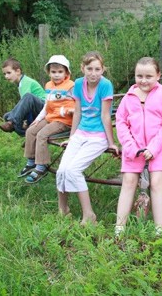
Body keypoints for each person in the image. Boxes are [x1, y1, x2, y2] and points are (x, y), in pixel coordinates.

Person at [114, 57, 162, 237]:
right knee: (128, 182)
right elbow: (121, 123)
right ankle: (119, 227)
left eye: (149, 76)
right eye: (139, 76)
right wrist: (130, 147)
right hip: (134, 150)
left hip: (160, 147)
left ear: (158, 75)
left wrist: (154, 147)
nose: (143, 80)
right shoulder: (128, 97)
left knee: (156, 183)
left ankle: (159, 229)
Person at [56, 51, 118, 225]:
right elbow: (78, 112)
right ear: (83, 68)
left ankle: (89, 214)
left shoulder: (105, 85)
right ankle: (63, 209)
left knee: (73, 170)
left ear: (103, 70)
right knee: (62, 170)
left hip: (98, 136)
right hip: (81, 133)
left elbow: (106, 116)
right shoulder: (77, 84)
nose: (93, 73)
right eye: (89, 68)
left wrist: (111, 143)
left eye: (97, 69)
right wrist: (72, 136)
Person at [22, 55, 75, 184]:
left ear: (66, 72)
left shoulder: (71, 86)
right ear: (49, 72)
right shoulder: (49, 85)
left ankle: (41, 166)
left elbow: (76, 103)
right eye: (53, 72)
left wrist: (67, 111)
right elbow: (47, 104)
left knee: (42, 135)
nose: (56, 75)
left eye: (60, 72)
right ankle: (31, 160)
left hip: (64, 120)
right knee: (31, 131)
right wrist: (39, 118)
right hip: (50, 117)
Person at [0, 58, 46, 136]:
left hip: (44, 107)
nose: (6, 76)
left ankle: (17, 126)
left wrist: (25, 120)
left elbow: (27, 104)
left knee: (28, 97)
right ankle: (28, 134)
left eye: (9, 73)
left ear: (18, 71)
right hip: (35, 109)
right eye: (4, 74)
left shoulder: (25, 82)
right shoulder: (20, 84)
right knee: (7, 116)